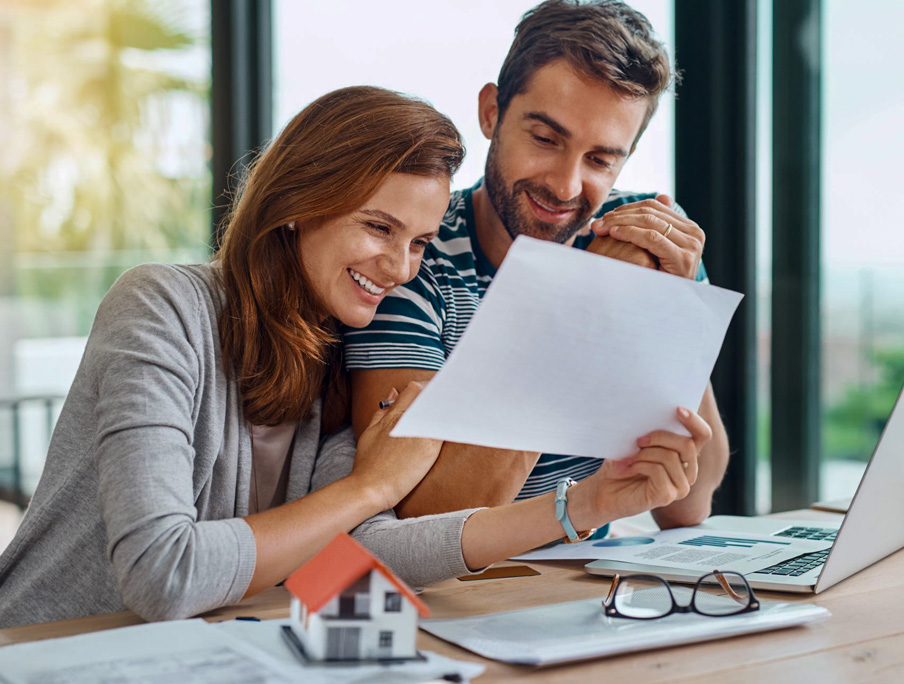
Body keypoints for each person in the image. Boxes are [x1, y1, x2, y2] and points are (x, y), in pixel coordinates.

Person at [0, 85, 710, 629]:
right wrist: (369, 487)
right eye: (378, 226)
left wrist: (583, 506)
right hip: (53, 650)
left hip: (198, 655)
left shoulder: (335, 344)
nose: (401, 267)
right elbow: (164, 573)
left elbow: (362, 553)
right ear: (296, 204)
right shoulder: (159, 307)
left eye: (422, 241)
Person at [343, 0, 729, 528]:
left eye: (600, 159)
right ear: (491, 112)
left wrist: (672, 311)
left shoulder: (646, 238)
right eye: (546, 139)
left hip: (591, 584)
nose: (566, 185)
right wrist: (584, 303)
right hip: (471, 593)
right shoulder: (412, 257)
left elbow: (686, 505)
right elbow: (418, 514)